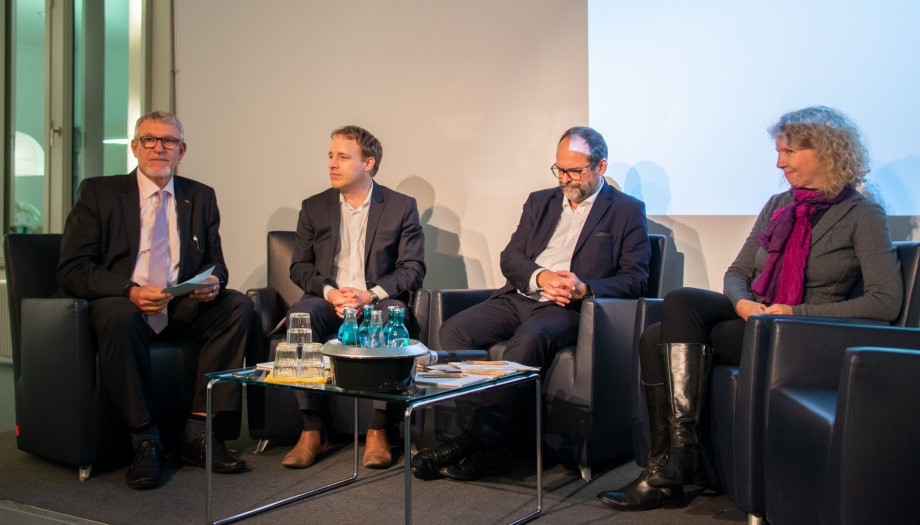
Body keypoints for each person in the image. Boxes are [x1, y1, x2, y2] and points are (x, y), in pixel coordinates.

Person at [597, 106, 904, 511]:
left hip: (802, 333)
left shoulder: (863, 214)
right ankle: (675, 460)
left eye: (789, 152)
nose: (780, 163)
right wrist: (743, 303)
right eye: (779, 153)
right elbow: (738, 271)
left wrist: (792, 314)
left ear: (826, 151)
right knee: (677, 304)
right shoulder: (778, 204)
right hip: (758, 317)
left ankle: (669, 470)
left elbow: (884, 301)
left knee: (661, 338)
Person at [412, 126, 651, 481]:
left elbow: (636, 278)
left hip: (567, 308)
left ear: (600, 167)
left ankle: (474, 442)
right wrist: (541, 276)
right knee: (454, 331)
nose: (565, 179)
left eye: (574, 171)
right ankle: (490, 444)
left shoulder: (627, 210)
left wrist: (584, 288)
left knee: (529, 338)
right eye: (559, 169)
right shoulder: (540, 202)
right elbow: (510, 257)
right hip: (520, 295)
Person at [57, 111, 252, 490]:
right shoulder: (99, 193)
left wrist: (213, 282)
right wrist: (129, 290)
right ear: (135, 147)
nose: (159, 148)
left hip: (178, 304)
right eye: (149, 139)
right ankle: (145, 439)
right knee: (119, 313)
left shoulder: (200, 196)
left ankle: (198, 433)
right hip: (123, 304)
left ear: (182, 150)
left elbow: (216, 264)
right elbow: (72, 268)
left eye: (169, 141)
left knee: (237, 305)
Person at [280, 125, 425, 469]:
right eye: (331, 156)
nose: (332, 164)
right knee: (302, 314)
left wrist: (368, 295)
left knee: (391, 314)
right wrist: (331, 293)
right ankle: (311, 429)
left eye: (343, 157)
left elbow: (413, 267)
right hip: (329, 299)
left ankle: (378, 429)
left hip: (375, 298)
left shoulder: (401, 206)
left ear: (368, 163)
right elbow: (299, 267)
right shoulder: (314, 207)